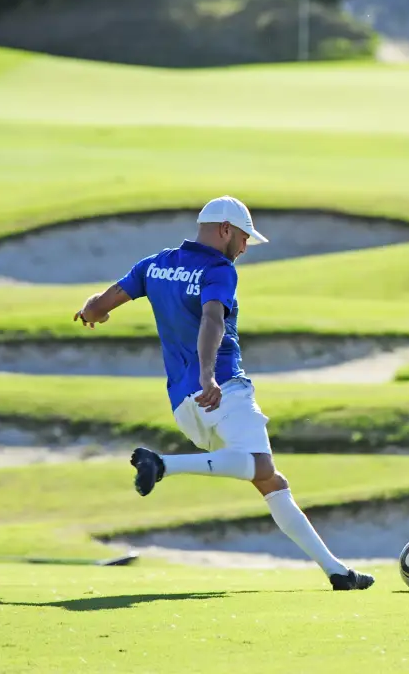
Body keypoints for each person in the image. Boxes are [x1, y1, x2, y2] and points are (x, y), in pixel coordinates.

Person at [73, 196, 374, 591]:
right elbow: (212, 319)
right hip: (222, 388)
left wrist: (91, 312)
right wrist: (208, 375)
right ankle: (163, 465)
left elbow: (102, 303)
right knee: (261, 466)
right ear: (225, 230)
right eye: (244, 238)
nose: (245, 248)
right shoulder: (218, 269)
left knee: (270, 481)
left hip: (184, 405)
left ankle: (338, 573)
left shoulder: (154, 265)